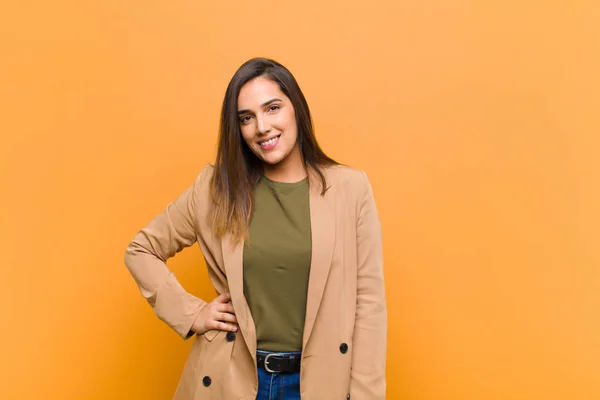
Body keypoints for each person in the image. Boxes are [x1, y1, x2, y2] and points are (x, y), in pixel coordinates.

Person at [124, 57, 387, 400]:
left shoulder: (350, 189)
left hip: (320, 383)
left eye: (273, 108)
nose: (261, 127)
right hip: (233, 381)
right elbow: (141, 250)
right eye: (246, 118)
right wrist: (192, 314)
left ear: (297, 109)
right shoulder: (216, 190)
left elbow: (368, 303)